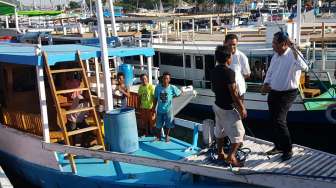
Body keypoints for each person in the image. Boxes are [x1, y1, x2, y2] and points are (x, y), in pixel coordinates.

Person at [261, 31, 308, 161]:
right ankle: (278, 146)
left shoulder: (293, 55)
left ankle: (287, 149)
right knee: (272, 119)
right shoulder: (276, 55)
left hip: (288, 93)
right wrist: (265, 84)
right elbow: (270, 72)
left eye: (275, 43)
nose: (272, 45)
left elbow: (305, 67)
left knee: (280, 120)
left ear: (284, 44)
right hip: (273, 92)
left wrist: (294, 49)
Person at [211, 45, 247, 167]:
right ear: (228, 58)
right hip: (227, 108)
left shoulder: (214, 70)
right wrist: (242, 108)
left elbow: (213, 88)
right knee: (239, 134)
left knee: (220, 131)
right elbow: (234, 94)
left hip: (217, 105)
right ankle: (231, 156)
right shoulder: (229, 72)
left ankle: (220, 152)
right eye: (230, 56)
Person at [153, 72, 181, 142]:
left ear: (169, 80)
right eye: (164, 78)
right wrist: (153, 108)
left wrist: (172, 96)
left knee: (168, 124)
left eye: (167, 78)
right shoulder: (157, 87)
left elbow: (179, 93)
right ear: (162, 79)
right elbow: (155, 98)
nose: (165, 80)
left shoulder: (172, 87)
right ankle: (158, 137)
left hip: (168, 110)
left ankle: (167, 136)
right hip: (159, 110)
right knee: (158, 125)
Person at [224, 34, 251, 99]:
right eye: (229, 44)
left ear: (237, 44)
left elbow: (247, 74)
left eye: (234, 44)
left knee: (240, 108)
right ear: (225, 43)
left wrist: (237, 79)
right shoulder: (222, 56)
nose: (232, 47)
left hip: (238, 91)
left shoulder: (242, 57)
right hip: (224, 91)